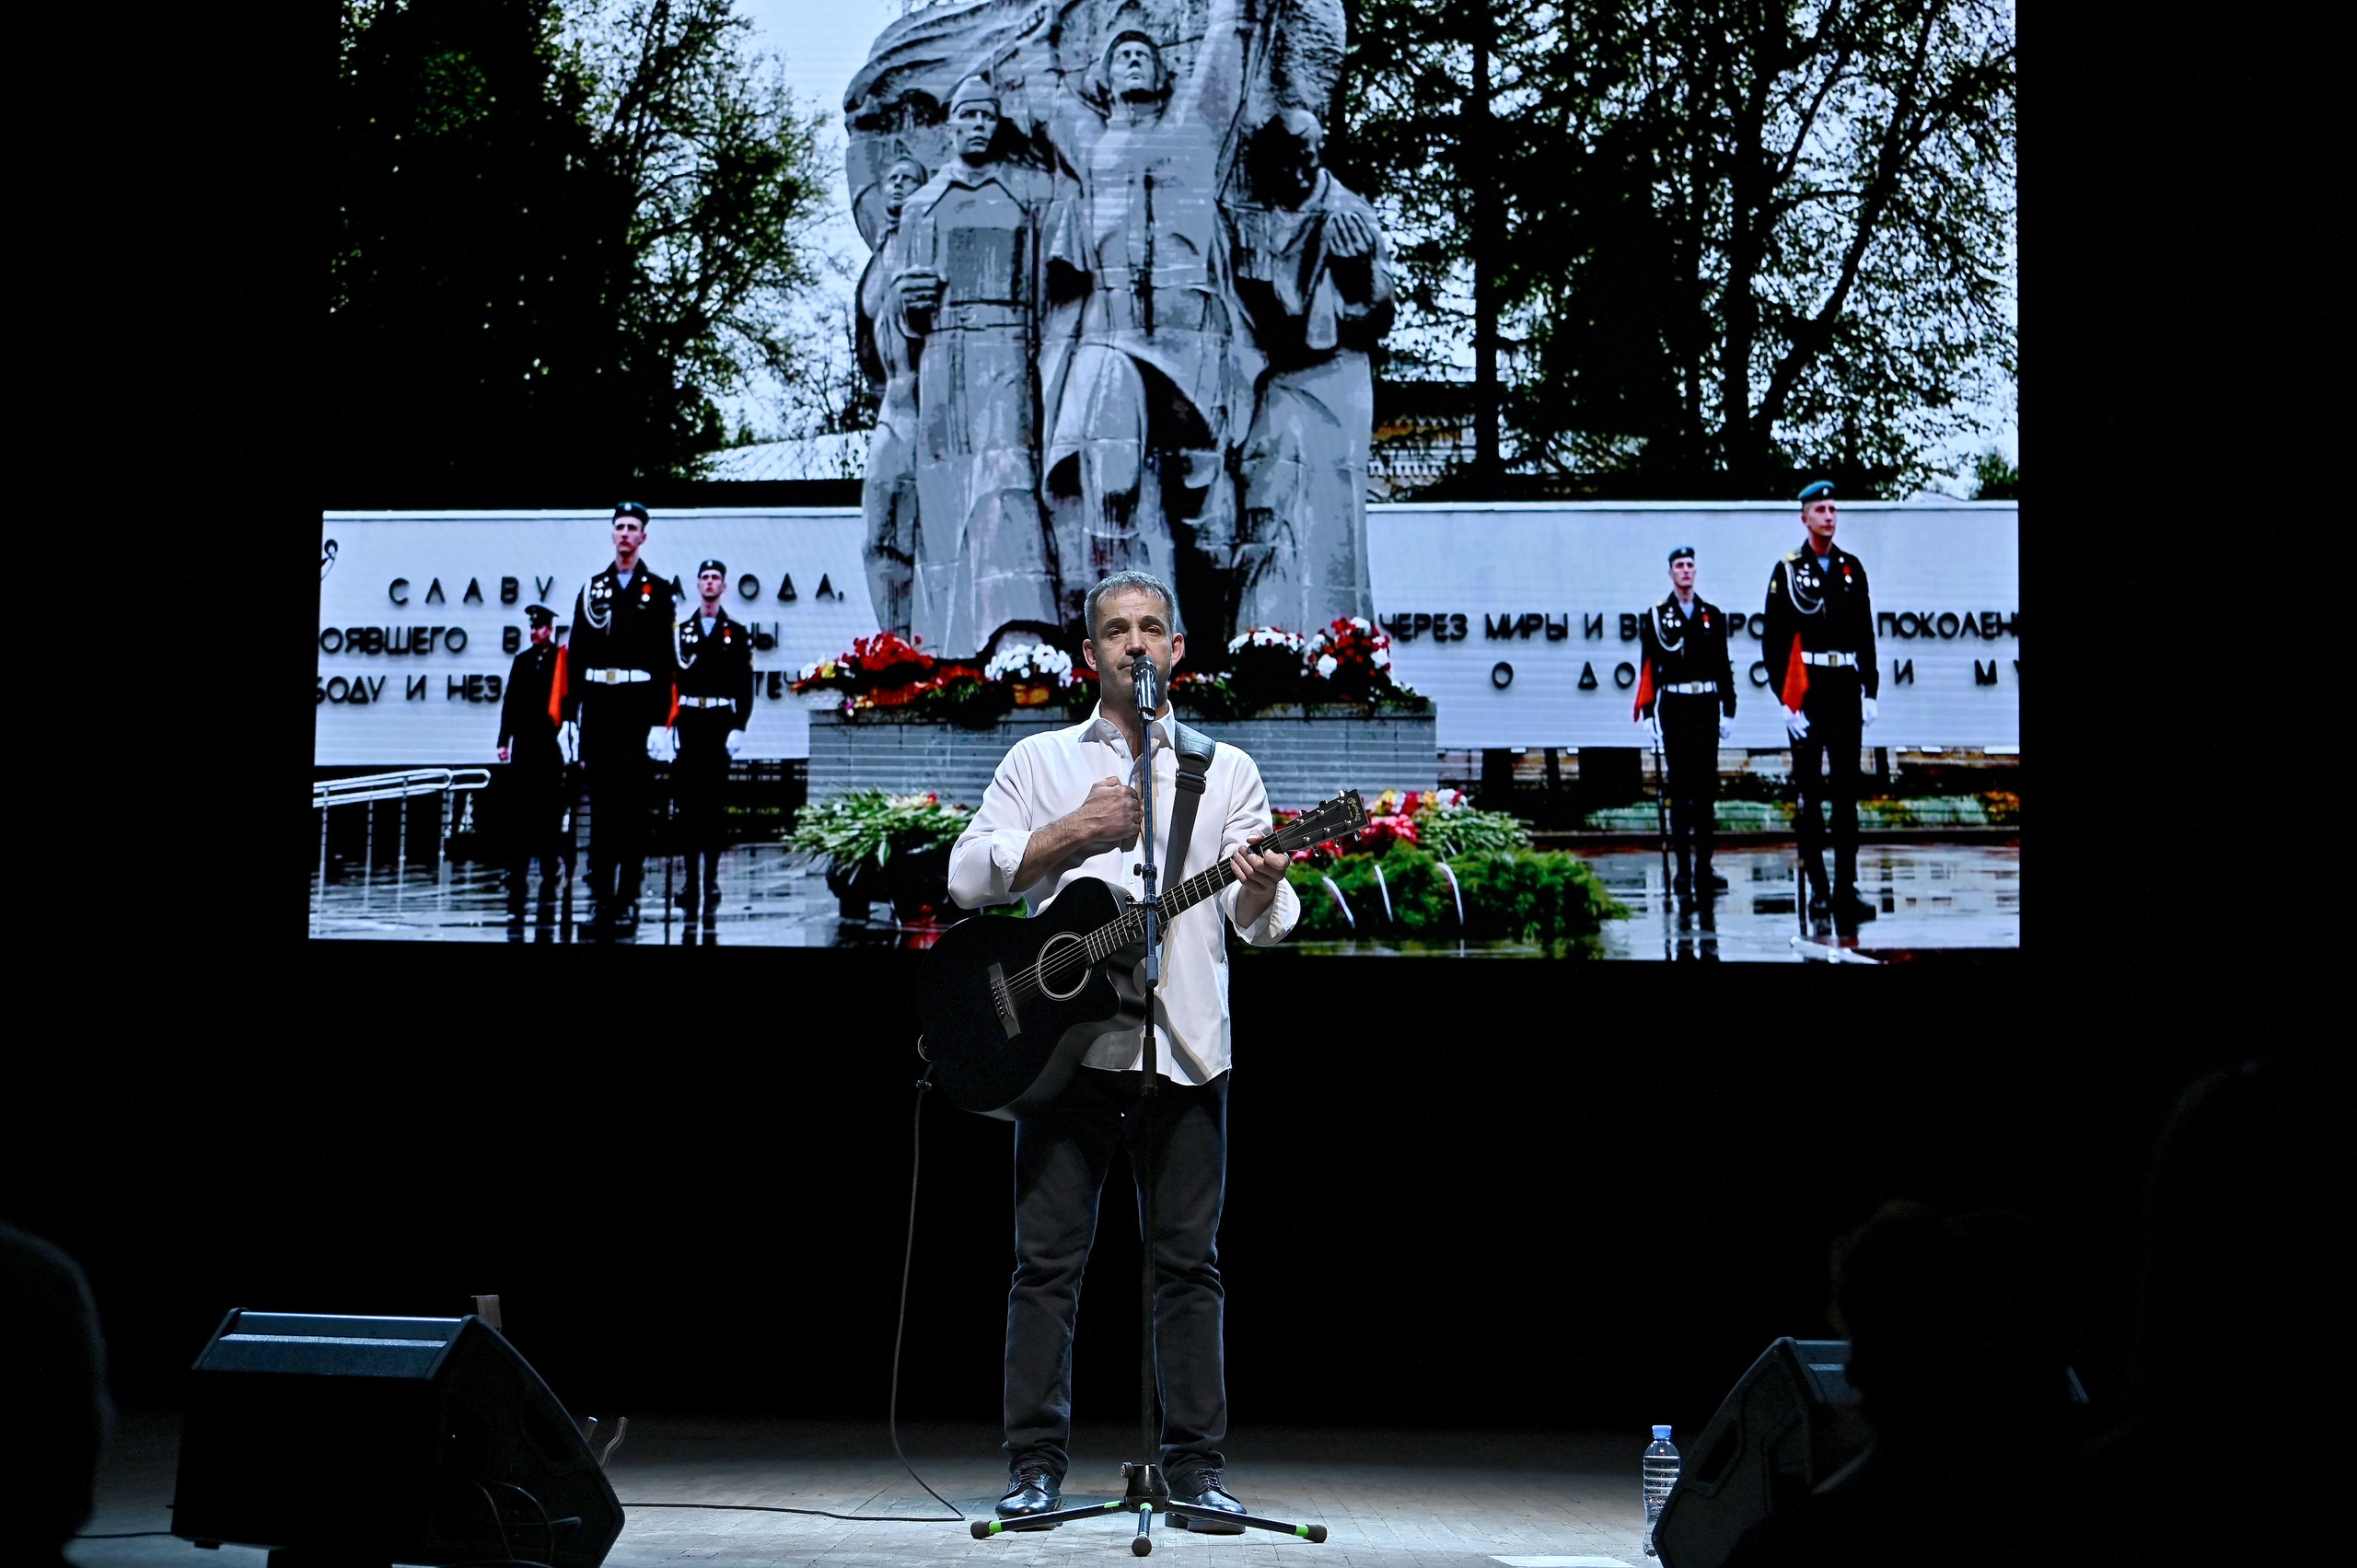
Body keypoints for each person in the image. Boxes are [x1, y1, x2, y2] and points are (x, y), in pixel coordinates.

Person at [945, 569, 1297, 1532]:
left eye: (1151, 628)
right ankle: (1033, 1465)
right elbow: (969, 874)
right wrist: (1073, 832)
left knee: (1189, 1263)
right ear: (1089, 654)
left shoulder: (1222, 769)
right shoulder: (1040, 759)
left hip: (1183, 1054)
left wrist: (1262, 886)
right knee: (1045, 1263)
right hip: (1062, 1059)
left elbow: (1259, 922)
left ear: (1176, 649)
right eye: (1115, 630)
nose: (1135, 644)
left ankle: (1193, 1465)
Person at [894, 75, 1062, 657]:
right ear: (950, 126)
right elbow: (900, 315)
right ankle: (946, 645)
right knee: (942, 494)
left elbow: (1043, 295)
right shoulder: (921, 206)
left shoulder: (1020, 200)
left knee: (1006, 475)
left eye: (986, 117)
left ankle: (1020, 630)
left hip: (1007, 350)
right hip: (943, 354)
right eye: (966, 116)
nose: (977, 127)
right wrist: (907, 305)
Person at [556, 503, 679, 935]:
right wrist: (570, 717)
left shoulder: (659, 592)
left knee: (632, 811)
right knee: (601, 810)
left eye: (633, 528)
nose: (625, 534)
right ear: (612, 535)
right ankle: (600, 899)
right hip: (601, 710)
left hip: (636, 710)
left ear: (644, 537)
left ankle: (627, 894)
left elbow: (667, 662)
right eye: (619, 527)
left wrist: (661, 723)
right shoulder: (592, 590)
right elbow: (577, 656)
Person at [1762, 481, 1878, 925]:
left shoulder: (1852, 568)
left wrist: (1871, 687)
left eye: (1833, 508)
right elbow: (1774, 639)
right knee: (1809, 794)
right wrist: (1785, 701)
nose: (1829, 516)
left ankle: (1847, 888)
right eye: (1820, 509)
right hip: (1808, 690)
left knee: (1847, 794)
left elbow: (1865, 631)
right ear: (1804, 517)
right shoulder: (1788, 570)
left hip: (1845, 685)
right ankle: (1819, 889)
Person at [1635, 546, 1736, 901]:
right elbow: (1648, 664)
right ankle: (1683, 870)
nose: (1686, 571)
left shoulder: (1712, 614)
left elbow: (1723, 663)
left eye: (1691, 565)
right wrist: (1648, 713)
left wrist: (1729, 707)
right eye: (1679, 566)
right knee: (1680, 792)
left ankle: (1704, 867)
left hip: (1706, 704)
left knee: (1706, 791)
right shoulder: (1656, 616)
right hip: (1675, 705)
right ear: (1670, 573)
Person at [668, 560, 754, 925]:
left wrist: (739, 725)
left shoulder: (735, 632)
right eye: (704, 578)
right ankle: (690, 882)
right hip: (689, 722)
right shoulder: (681, 631)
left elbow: (744, 683)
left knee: (713, 807)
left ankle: (711, 880)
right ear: (698, 586)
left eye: (715, 578)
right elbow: (671, 679)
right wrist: (665, 725)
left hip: (719, 723)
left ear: (723, 586)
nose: (709, 583)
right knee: (687, 807)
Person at [496, 603, 568, 918]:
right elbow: (510, 702)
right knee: (520, 812)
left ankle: (551, 865)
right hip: (525, 746)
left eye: (539, 627)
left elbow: (568, 701)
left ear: (549, 630)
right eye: (532, 627)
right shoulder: (522, 661)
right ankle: (517, 870)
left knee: (550, 811)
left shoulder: (560, 660)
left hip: (549, 745)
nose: (534, 631)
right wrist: (504, 740)